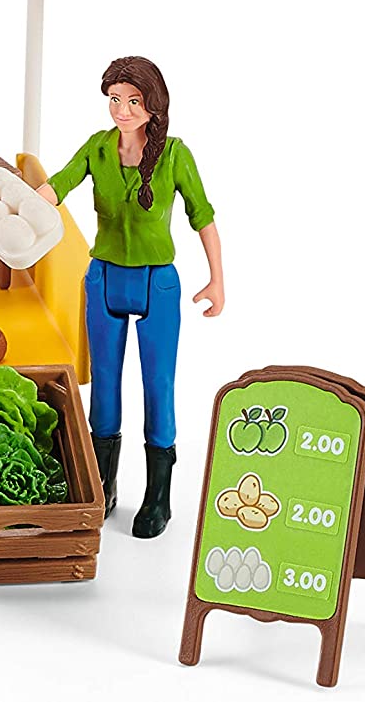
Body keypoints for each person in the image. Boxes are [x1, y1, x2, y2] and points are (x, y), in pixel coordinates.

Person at [35, 56, 224, 539]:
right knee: (104, 387)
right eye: (115, 100)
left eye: (133, 101)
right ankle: (103, 483)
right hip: (104, 278)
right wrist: (26, 202)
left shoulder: (175, 155)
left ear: (153, 104)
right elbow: (60, 183)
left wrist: (217, 279)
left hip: (157, 282)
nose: (122, 110)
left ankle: (158, 496)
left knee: (159, 387)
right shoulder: (98, 148)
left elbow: (202, 216)